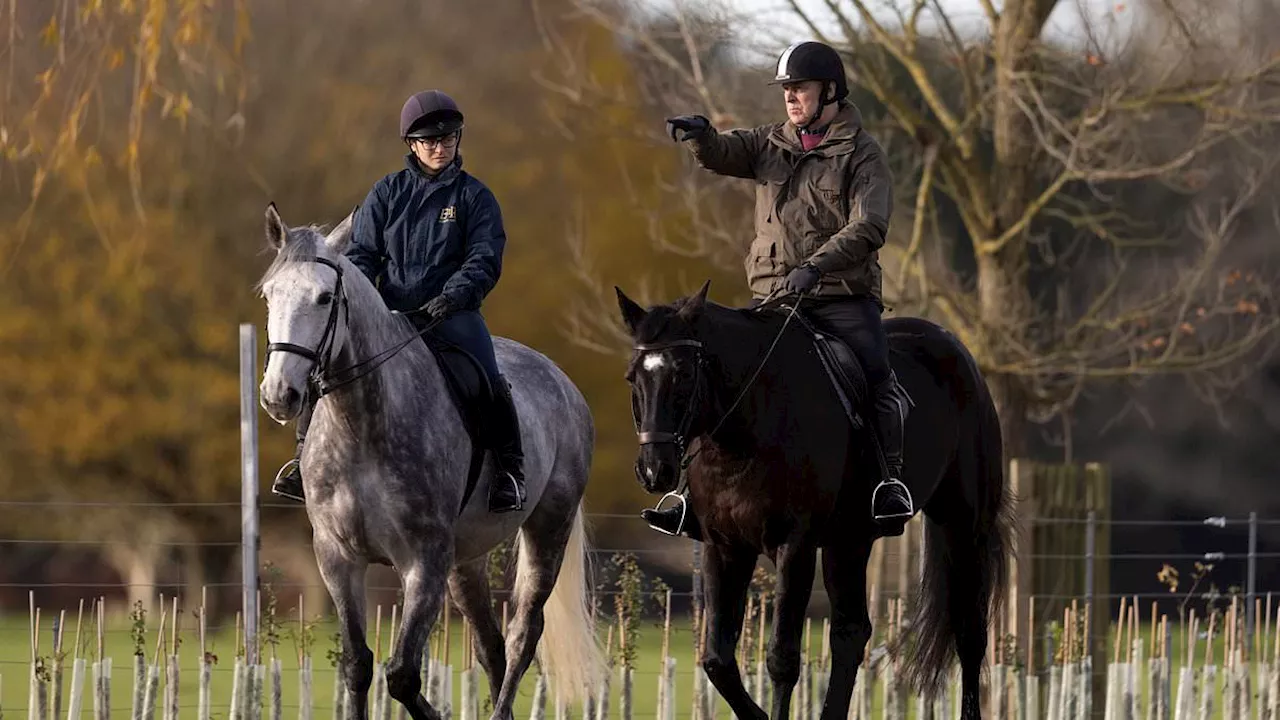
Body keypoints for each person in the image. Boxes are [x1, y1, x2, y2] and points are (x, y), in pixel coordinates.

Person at [642, 40, 914, 538]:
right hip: (774, 298)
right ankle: (685, 492)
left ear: (830, 91)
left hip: (840, 297)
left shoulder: (863, 153)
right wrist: (703, 137)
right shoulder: (771, 141)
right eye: (786, 89)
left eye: (800, 88)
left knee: (877, 375)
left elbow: (870, 225)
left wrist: (815, 267)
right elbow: (725, 152)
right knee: (713, 374)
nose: (791, 98)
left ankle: (888, 483)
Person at [270, 89, 527, 514]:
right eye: (430, 141)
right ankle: (301, 461)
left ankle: (509, 472)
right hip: (388, 314)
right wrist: (368, 301)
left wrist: (451, 298)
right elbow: (361, 256)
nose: (440, 148)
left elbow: (484, 258)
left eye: (449, 139)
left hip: (451, 314)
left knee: (488, 378)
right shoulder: (386, 193)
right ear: (412, 144)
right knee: (324, 365)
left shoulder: (474, 198)